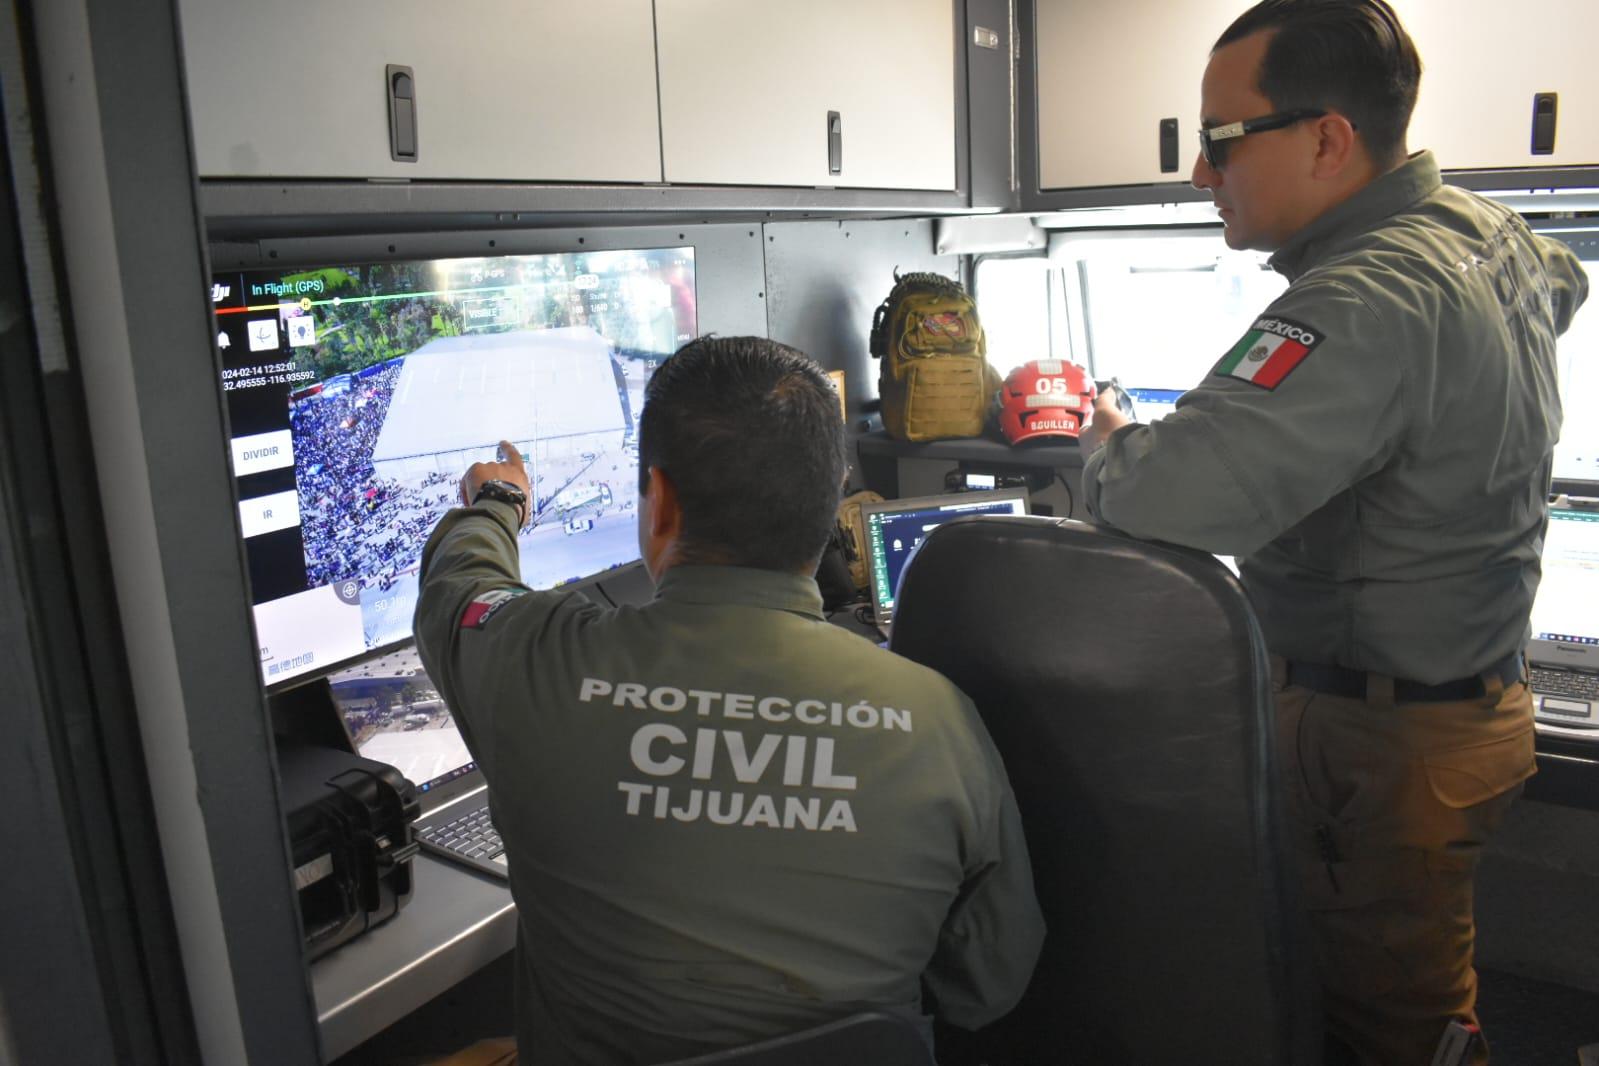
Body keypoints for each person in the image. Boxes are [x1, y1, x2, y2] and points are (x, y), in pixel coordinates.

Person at [1076, 2, 1589, 1063]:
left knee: (1383, 1033)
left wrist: (1109, 444)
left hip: (1377, 741)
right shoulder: (1479, 233)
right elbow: (1564, 283)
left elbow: (1169, 495)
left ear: (1326, 138)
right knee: (1408, 1000)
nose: (1199, 174)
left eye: (1220, 142)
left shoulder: (1366, 294)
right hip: (1464, 707)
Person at [414, 336, 1043, 1065]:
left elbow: (459, 591)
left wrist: (498, 502)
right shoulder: (936, 718)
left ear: (661, 503)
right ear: (832, 494)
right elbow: (987, 983)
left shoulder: (532, 660)